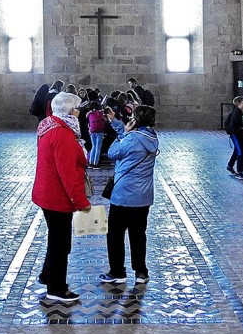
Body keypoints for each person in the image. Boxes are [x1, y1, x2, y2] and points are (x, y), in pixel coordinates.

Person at [32, 91, 91, 305]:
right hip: (57, 197)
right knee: (61, 244)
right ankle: (56, 289)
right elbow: (67, 173)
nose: (79, 113)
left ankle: (47, 275)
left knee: (56, 239)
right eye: (78, 109)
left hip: (48, 193)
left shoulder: (51, 125)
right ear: (71, 111)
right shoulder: (63, 134)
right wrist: (80, 201)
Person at [100, 104, 159, 285]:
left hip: (124, 195)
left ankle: (117, 271)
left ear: (135, 120)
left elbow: (113, 152)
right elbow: (128, 139)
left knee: (115, 235)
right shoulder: (152, 137)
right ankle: (141, 271)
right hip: (143, 197)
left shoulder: (132, 138)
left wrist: (123, 132)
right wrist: (115, 123)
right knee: (138, 234)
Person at [223, 96, 243, 179]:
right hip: (236, 135)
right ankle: (240, 172)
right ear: (238, 104)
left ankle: (230, 166)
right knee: (240, 152)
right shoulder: (235, 114)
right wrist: (241, 131)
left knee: (237, 151)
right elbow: (233, 127)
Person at [86, 103, 107, 168]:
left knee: (93, 146)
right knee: (98, 147)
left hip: (92, 131)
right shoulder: (101, 114)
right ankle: (96, 163)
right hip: (100, 131)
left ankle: (90, 162)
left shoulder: (89, 114)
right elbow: (105, 120)